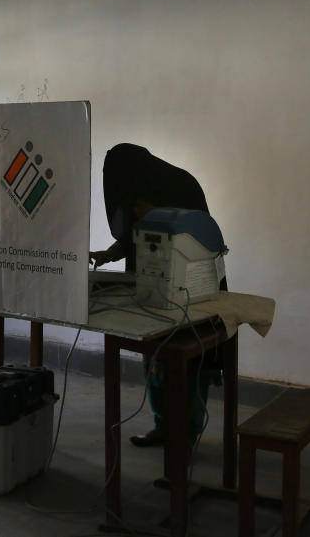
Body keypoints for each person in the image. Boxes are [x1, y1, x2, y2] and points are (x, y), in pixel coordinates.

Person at [90, 143, 224, 448]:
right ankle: (163, 426)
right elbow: (131, 237)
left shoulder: (182, 186)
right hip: (151, 291)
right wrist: (108, 255)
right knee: (156, 360)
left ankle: (186, 434)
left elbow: (199, 240)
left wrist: (163, 217)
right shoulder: (135, 190)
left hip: (190, 293)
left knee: (190, 361)